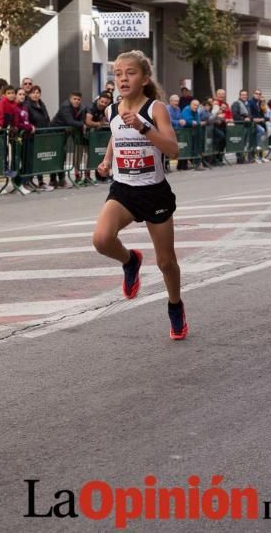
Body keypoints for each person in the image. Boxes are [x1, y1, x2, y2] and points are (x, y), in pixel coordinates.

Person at [92, 50, 188, 340]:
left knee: (165, 262)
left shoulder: (156, 109)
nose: (122, 78)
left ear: (145, 78)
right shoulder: (112, 110)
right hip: (123, 190)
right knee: (101, 240)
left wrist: (143, 127)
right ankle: (129, 260)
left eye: (130, 73)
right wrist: (108, 159)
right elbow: (115, 133)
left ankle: (175, 305)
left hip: (154, 192)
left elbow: (172, 150)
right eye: (118, 73)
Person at [50, 91, 85, 187]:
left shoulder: (81, 108)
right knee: (55, 156)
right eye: (74, 99)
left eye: (78, 99)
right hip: (55, 132)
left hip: (64, 133)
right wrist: (83, 124)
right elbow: (69, 121)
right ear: (70, 99)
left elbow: (80, 119)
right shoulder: (65, 106)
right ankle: (53, 180)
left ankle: (61, 179)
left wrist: (81, 123)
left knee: (62, 156)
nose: (77, 101)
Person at [26, 85, 54, 191]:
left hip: (42, 135)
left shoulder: (41, 104)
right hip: (32, 136)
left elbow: (47, 118)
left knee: (40, 159)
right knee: (31, 160)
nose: (36, 94)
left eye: (38, 92)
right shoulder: (28, 105)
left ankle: (41, 181)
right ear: (29, 94)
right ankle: (29, 181)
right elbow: (27, 119)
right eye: (33, 92)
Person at [85, 91, 113, 182]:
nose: (103, 104)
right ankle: (86, 177)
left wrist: (101, 123)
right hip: (84, 135)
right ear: (98, 100)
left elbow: (104, 120)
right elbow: (88, 122)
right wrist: (98, 124)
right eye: (102, 102)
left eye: (105, 103)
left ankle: (101, 176)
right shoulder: (91, 107)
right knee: (88, 157)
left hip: (94, 135)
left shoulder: (105, 109)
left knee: (97, 155)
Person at [247, 88, 268, 163]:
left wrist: (268, 118)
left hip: (260, 124)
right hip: (253, 124)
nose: (258, 95)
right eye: (256, 93)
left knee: (261, 139)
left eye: (259, 94)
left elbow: (262, 115)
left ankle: (260, 156)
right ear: (253, 94)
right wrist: (255, 119)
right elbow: (249, 113)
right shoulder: (250, 102)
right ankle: (254, 156)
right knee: (258, 138)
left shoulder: (260, 103)